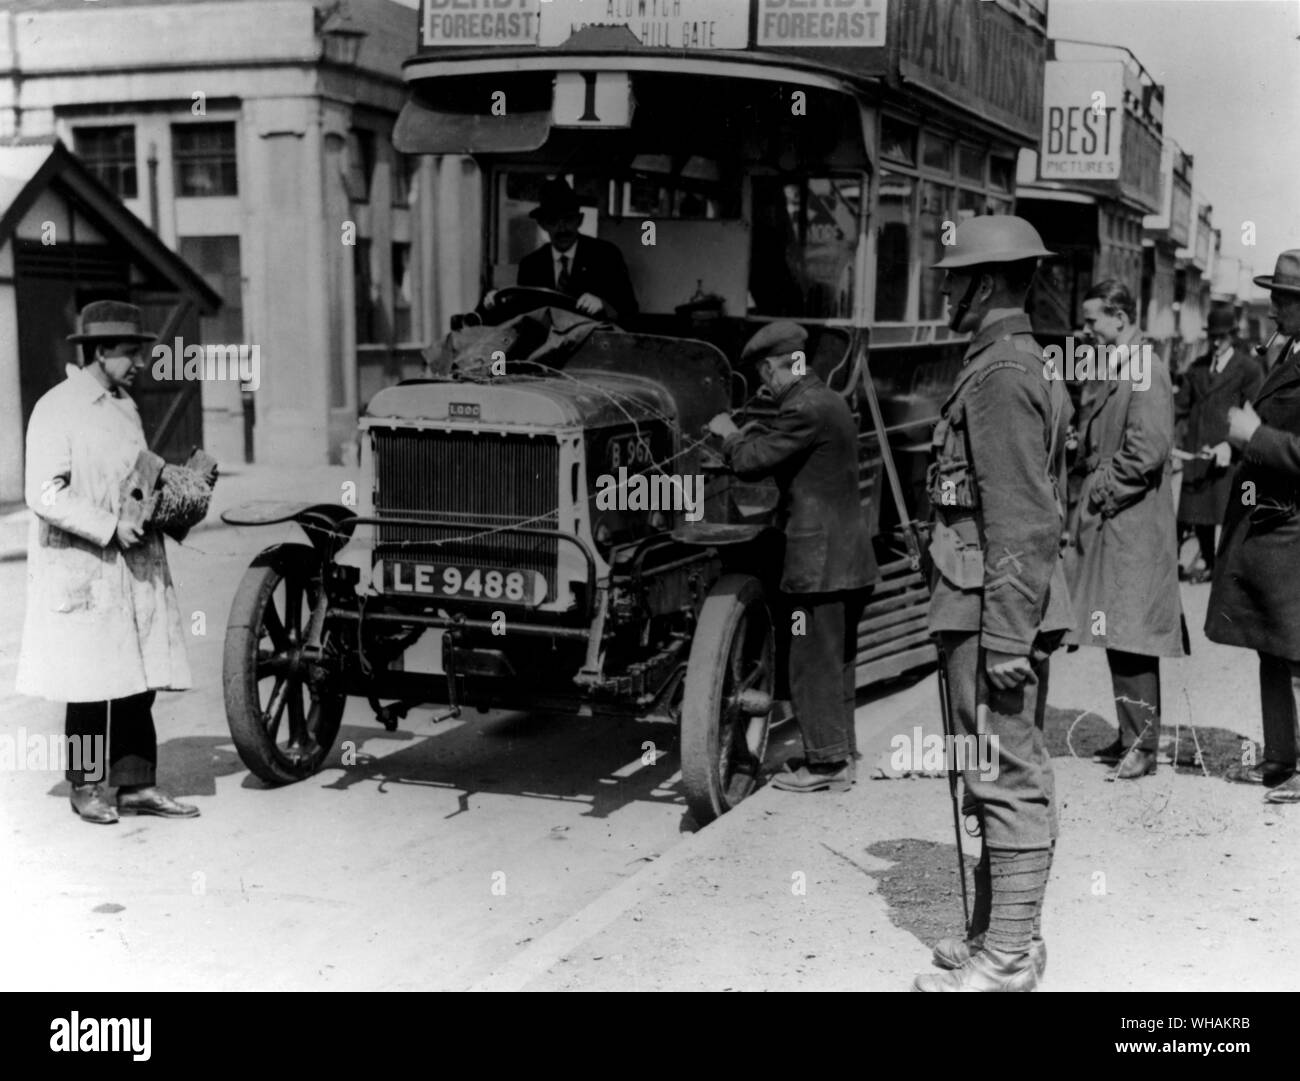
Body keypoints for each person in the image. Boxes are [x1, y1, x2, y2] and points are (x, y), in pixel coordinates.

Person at [914, 216, 1074, 992]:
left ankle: (1007, 958)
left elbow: (1023, 518)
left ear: (985, 284)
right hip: (974, 598)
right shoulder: (1001, 362)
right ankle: (1001, 935)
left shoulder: (1004, 373)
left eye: (954, 277)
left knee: (1006, 770)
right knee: (989, 764)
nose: (945, 287)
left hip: (992, 610)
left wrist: (1008, 638)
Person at [15, 300, 199, 824]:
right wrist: (107, 526)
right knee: (89, 683)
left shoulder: (124, 406)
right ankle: (86, 786)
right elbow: (44, 493)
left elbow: (133, 478)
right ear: (99, 351)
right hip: (83, 564)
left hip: (132, 561)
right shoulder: (59, 407)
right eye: (129, 352)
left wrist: (166, 499)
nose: (140, 362)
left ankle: (137, 784)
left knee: (137, 681)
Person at [706, 322, 877, 793]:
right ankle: (837, 756)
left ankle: (826, 766)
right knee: (835, 661)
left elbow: (750, 461)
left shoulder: (803, 408)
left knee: (810, 663)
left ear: (778, 366)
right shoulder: (826, 401)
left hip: (819, 566)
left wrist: (728, 434)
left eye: (766, 375)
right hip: (845, 560)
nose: (766, 385)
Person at [1069, 280, 1186, 779]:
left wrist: (1099, 489)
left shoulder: (1146, 372)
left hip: (1131, 523)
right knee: (1117, 631)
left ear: (1119, 317)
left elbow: (1147, 451)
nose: (1087, 330)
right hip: (1121, 522)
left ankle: (1142, 747)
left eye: (1093, 320)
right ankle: (1130, 736)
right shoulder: (1124, 366)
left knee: (1131, 634)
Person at [1205, 250, 1300, 801]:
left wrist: (1254, 438)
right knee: (1273, 645)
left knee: (1296, 652)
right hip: (1274, 527)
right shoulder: (1289, 352)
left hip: (1293, 529)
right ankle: (1281, 759)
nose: (1273, 306)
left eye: (1285, 298)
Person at [1175, 307, 1264, 583]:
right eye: (1213, 336)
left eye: (1222, 337)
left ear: (1233, 337)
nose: (1215, 342)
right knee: (1195, 511)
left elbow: (1257, 414)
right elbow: (1179, 407)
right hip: (1198, 452)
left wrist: (1231, 446)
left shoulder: (1248, 369)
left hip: (1229, 455)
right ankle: (1207, 559)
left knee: (1227, 513)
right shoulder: (1198, 368)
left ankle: (1224, 566)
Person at [486, 178, 638, 323]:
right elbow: (522, 314)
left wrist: (603, 304)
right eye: (553, 221)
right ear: (543, 224)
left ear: (580, 220)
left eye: (568, 219)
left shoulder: (606, 256)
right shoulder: (531, 265)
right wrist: (496, 301)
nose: (562, 229)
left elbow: (630, 310)